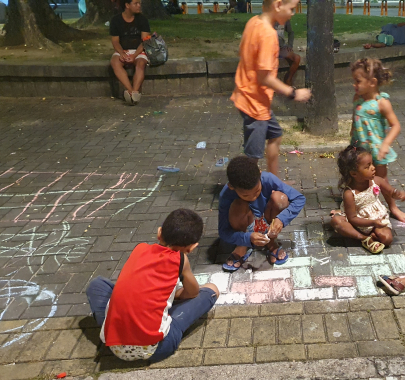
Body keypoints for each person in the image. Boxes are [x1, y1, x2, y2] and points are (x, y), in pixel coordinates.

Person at [85, 209, 220, 362]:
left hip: (114, 344)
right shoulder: (180, 260)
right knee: (212, 290)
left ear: (159, 233)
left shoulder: (140, 249)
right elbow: (193, 292)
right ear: (192, 247)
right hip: (155, 349)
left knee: (97, 284)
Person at [230, 0, 311, 178]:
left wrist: (275, 54)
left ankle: (273, 182)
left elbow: (244, 52)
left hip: (251, 98)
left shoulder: (253, 22)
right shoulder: (268, 34)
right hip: (254, 104)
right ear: (278, 5)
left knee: (275, 136)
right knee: (253, 157)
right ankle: (243, 192)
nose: (293, 13)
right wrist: (293, 92)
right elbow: (264, 77)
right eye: (292, 9)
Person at [218, 156, 306, 271]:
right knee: (238, 204)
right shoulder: (225, 194)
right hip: (245, 223)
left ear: (260, 174)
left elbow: (299, 199)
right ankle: (243, 245)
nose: (253, 197)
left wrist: (281, 219)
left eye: (257, 191)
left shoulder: (268, 178)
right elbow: (223, 232)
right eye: (245, 195)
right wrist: (247, 238)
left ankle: (270, 241)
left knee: (280, 199)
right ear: (232, 187)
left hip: (267, 218)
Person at [349, 58, 405, 223]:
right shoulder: (358, 99)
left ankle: (393, 207)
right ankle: (358, 207)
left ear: (372, 82)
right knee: (358, 179)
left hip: (376, 150)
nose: (355, 84)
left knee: (382, 181)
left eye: (358, 81)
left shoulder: (381, 103)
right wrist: (352, 139)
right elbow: (355, 121)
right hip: (359, 149)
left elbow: (395, 126)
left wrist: (385, 145)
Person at [330, 146, 405, 254]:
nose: (373, 168)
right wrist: (372, 223)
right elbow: (352, 219)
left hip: (377, 217)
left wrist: (398, 194)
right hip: (358, 222)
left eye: (372, 164)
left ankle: (364, 235)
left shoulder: (376, 181)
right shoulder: (349, 193)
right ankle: (364, 238)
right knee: (337, 222)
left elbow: (391, 191)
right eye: (368, 167)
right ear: (354, 174)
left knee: (387, 239)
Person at [110, 0, 151, 106]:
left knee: (140, 64)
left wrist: (134, 55)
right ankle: (131, 91)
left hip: (138, 50)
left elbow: (144, 41)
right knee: (115, 62)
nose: (139, 6)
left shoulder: (142, 19)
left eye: (140, 3)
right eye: (136, 3)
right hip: (123, 50)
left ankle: (134, 92)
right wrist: (121, 53)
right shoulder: (116, 20)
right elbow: (115, 41)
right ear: (127, 5)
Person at [275, 20, 301, 86]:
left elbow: (291, 32)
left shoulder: (285, 19)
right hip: (269, 49)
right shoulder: (268, 19)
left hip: (281, 47)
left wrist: (290, 45)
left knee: (296, 58)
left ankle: (288, 79)